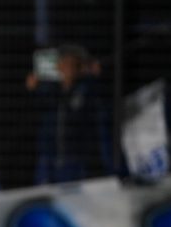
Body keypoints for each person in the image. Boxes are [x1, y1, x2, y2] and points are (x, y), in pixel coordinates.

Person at [26, 43, 113, 184]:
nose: (66, 67)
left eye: (72, 63)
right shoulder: (49, 90)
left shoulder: (87, 89)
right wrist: (32, 90)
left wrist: (94, 77)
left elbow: (97, 107)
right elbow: (35, 113)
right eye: (63, 62)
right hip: (49, 159)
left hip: (76, 161)